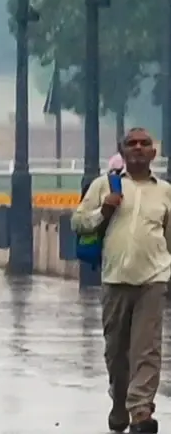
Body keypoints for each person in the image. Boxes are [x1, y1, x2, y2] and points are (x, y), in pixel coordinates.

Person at [73, 126, 171, 433]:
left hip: (152, 280)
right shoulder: (105, 185)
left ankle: (140, 409)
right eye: (132, 144)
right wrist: (103, 210)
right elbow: (78, 222)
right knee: (116, 352)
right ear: (123, 151)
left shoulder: (165, 192)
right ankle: (120, 401)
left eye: (145, 144)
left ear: (153, 153)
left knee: (147, 348)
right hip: (115, 279)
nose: (139, 148)